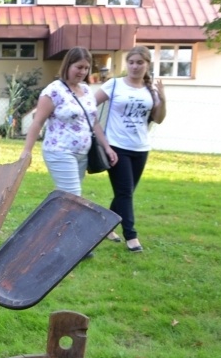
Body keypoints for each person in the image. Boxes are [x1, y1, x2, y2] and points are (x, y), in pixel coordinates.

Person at [95, 46, 166, 253]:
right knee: (125, 192)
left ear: (147, 65)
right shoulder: (114, 84)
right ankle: (131, 236)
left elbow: (159, 119)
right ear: (127, 64)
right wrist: (102, 140)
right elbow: (89, 106)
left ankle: (105, 226)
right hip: (116, 147)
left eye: (140, 63)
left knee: (124, 192)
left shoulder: (150, 90)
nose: (135, 66)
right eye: (131, 62)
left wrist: (163, 97)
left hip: (141, 148)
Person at [22, 46, 117, 198]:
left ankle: (53, 221)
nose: (83, 72)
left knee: (66, 199)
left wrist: (106, 147)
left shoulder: (86, 90)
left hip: (82, 154)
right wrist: (27, 151)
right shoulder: (53, 91)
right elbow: (37, 122)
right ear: (68, 65)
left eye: (86, 68)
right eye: (79, 67)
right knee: (73, 197)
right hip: (60, 151)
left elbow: (94, 122)